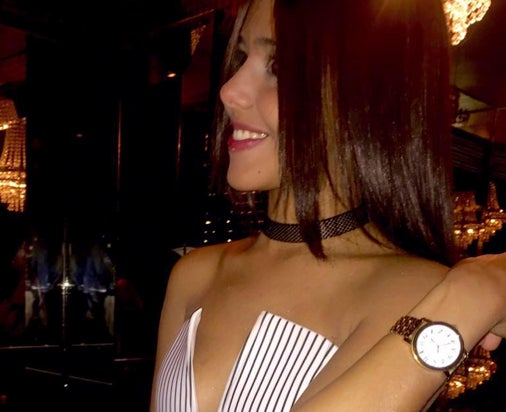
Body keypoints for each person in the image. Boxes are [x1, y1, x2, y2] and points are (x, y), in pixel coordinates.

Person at [150, 0, 506, 411]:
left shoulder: (415, 291)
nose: (229, 90)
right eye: (243, 56)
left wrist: (470, 294)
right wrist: (477, 294)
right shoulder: (194, 274)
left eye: (278, 66)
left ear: (367, 96)